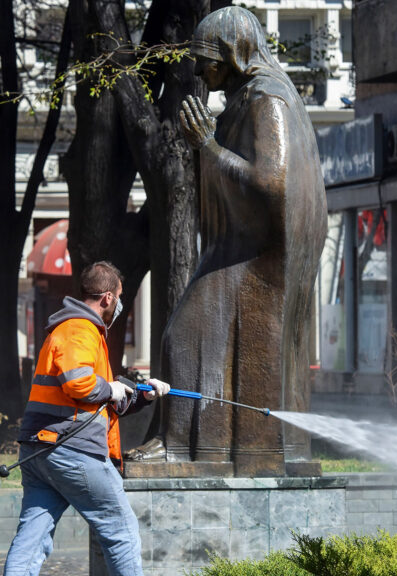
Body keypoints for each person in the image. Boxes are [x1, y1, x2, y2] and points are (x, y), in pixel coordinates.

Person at [130, 6, 326, 474]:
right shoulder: (253, 96)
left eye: (207, 60)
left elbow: (272, 183)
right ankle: (205, 446)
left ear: (236, 54)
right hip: (244, 248)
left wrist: (208, 148)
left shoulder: (266, 98)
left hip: (257, 256)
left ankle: (185, 449)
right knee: (195, 337)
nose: (199, 71)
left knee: (185, 335)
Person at [0, 261, 170, 576]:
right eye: (119, 298)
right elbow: (80, 383)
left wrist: (141, 393)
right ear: (107, 297)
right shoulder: (78, 328)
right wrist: (111, 388)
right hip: (69, 452)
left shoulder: (77, 331)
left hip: (42, 452)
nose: (119, 305)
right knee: (121, 530)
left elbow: (96, 403)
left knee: (32, 541)